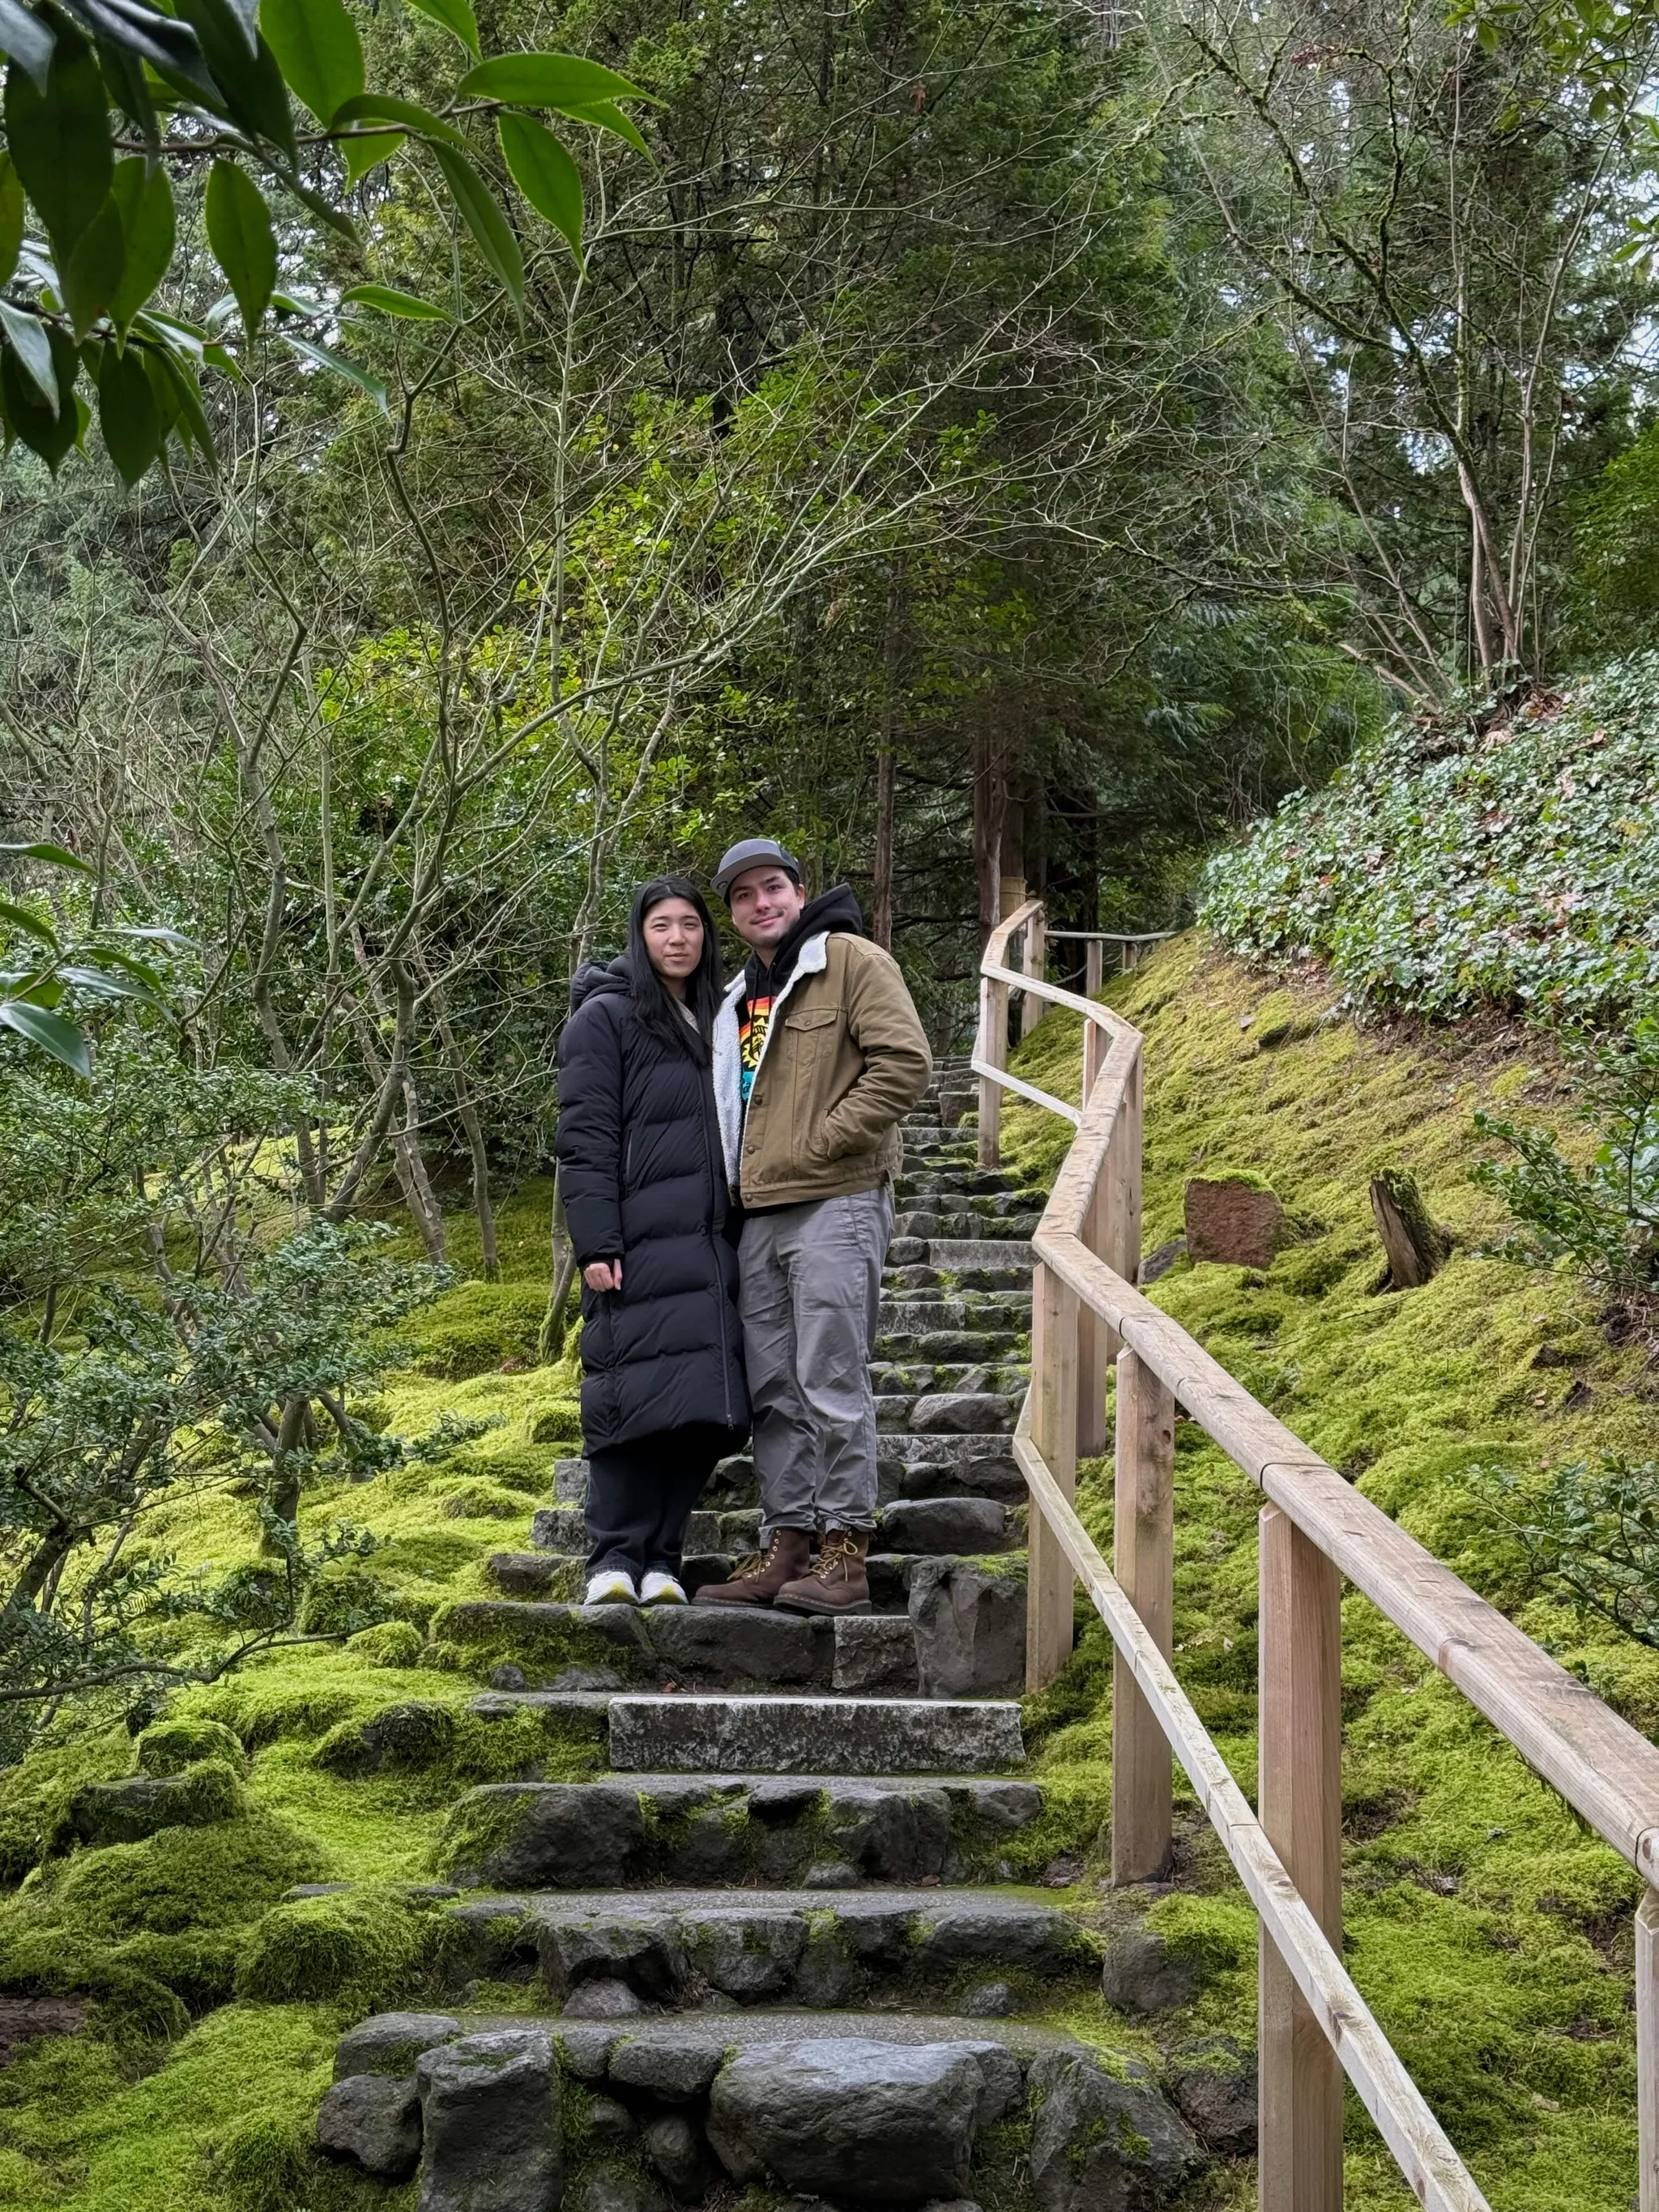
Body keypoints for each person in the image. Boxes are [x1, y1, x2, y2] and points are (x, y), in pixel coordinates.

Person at [695, 837, 932, 1615]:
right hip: (758, 1213)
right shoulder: (739, 996)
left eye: (773, 888)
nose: (761, 903)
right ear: (733, 914)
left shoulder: (852, 961)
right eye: (744, 896)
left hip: (837, 1198)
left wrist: (823, 1140)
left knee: (830, 1375)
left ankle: (846, 1555)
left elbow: (904, 1064)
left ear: (800, 891)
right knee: (773, 1388)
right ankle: (787, 1543)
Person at [555, 877, 749, 1606]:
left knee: (701, 1409)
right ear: (640, 935)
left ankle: (664, 1558)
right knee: (626, 1400)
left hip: (710, 1248)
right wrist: (597, 1241)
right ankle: (612, 1558)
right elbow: (585, 1137)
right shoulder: (605, 1018)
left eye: (691, 925)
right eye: (662, 925)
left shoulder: (721, 1017)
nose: (678, 938)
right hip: (634, 1244)